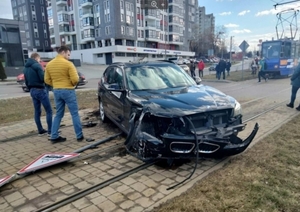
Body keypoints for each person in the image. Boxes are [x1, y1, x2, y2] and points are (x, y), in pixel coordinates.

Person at [44, 46, 84, 143]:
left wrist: (56, 85)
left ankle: (54, 136)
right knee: (74, 113)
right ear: (63, 52)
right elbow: (75, 79)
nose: (69, 57)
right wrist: (71, 84)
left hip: (56, 91)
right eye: (68, 54)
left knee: (58, 114)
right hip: (68, 90)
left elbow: (46, 80)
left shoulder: (49, 64)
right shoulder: (68, 64)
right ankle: (79, 136)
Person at [23, 53, 52, 137]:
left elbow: (26, 81)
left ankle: (40, 130)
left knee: (37, 111)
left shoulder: (25, 68)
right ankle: (50, 131)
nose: (40, 60)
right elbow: (43, 78)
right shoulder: (37, 65)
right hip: (40, 90)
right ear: (36, 58)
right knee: (49, 110)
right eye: (39, 59)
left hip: (32, 90)